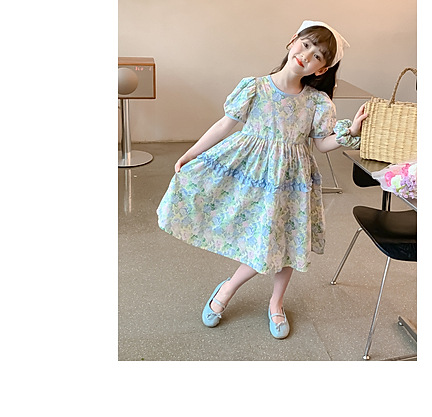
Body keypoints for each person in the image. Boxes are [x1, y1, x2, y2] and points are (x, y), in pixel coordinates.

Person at [156, 20, 367, 339]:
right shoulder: (254, 87)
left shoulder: (317, 102)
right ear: (293, 41)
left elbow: (322, 144)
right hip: (254, 178)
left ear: (322, 70)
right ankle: (228, 288)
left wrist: (350, 132)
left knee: (289, 242)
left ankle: (276, 303)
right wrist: (191, 153)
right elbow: (224, 126)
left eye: (318, 56)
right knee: (261, 240)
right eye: (306, 45)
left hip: (293, 182)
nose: (307, 55)